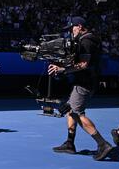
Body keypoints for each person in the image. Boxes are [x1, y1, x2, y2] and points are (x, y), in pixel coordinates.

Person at [48, 17, 113, 161]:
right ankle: (70, 143)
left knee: (77, 113)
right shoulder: (84, 40)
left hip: (85, 83)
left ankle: (103, 144)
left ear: (79, 26)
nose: (71, 32)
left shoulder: (87, 40)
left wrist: (62, 69)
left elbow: (83, 64)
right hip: (83, 81)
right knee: (70, 111)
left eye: (72, 28)